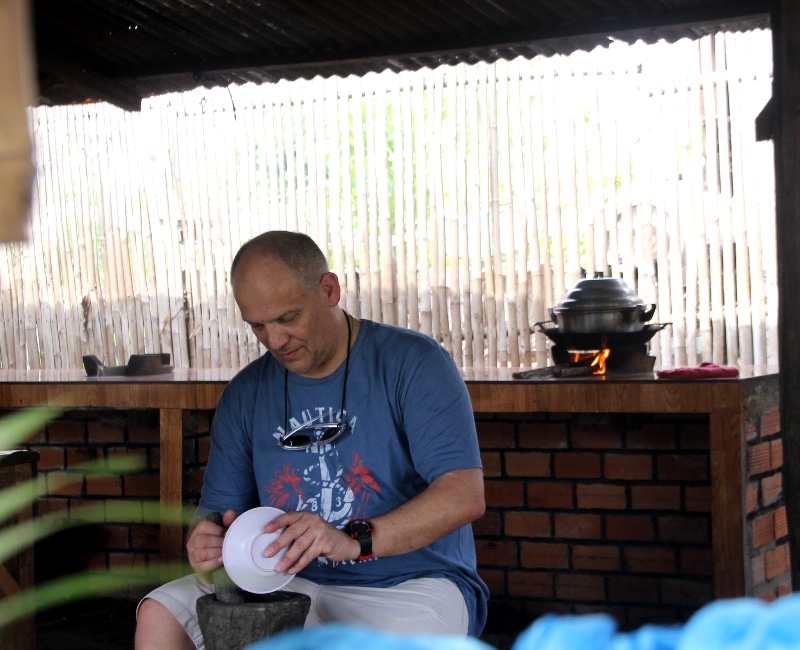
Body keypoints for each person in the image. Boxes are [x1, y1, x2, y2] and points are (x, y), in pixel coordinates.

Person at [135, 231, 488, 650]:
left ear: (329, 290)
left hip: (408, 583)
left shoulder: (414, 363)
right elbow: (216, 512)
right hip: (281, 581)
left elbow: (464, 495)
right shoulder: (246, 393)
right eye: (257, 326)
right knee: (159, 614)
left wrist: (354, 541)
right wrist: (206, 542)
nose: (274, 340)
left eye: (288, 318)